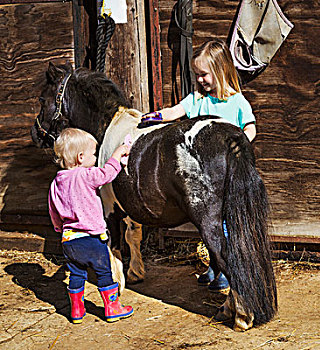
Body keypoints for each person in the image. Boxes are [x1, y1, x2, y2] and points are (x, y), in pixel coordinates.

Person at [138, 38, 257, 292]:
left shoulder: (236, 102)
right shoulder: (197, 100)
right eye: (197, 75)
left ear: (221, 70)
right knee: (208, 225)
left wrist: (240, 143)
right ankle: (215, 265)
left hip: (227, 174)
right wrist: (153, 116)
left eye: (204, 74)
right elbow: (175, 111)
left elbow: (250, 127)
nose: (200, 79)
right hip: (203, 179)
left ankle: (228, 267)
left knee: (225, 224)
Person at [48, 128, 133, 324]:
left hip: (69, 241)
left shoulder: (56, 182)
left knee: (76, 274)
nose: (95, 157)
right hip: (92, 239)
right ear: (80, 157)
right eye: (93, 153)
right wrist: (116, 155)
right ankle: (112, 308)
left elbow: (53, 211)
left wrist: (60, 230)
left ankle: (77, 311)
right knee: (104, 273)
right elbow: (107, 174)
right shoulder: (86, 175)